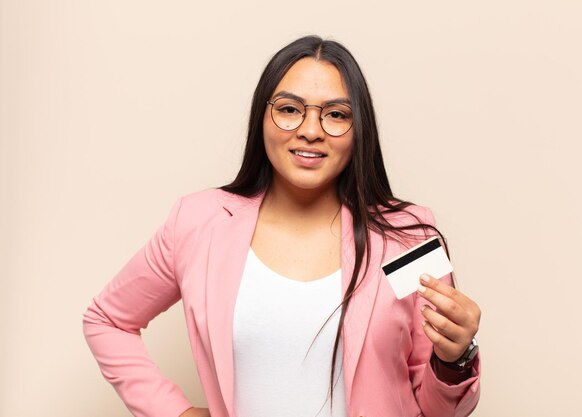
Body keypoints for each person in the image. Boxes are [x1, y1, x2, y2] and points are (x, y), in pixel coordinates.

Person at [83, 35, 481, 417]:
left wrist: (454, 360)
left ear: (359, 130)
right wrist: (174, 411)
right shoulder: (198, 223)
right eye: (290, 109)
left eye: (337, 114)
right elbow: (107, 320)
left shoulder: (407, 237)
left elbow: (437, 411)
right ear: (263, 116)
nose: (310, 130)